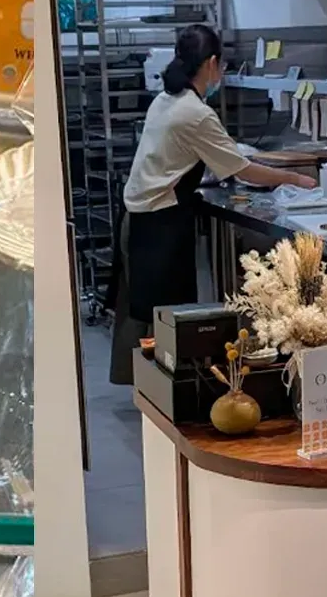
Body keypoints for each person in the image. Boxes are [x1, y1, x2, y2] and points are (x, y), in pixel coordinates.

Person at [109, 24, 316, 383]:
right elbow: (243, 169)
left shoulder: (166, 99)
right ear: (213, 63)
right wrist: (296, 178)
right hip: (160, 227)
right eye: (221, 66)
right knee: (168, 318)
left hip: (138, 221)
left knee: (147, 314)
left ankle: (155, 390)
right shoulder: (194, 112)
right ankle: (169, 392)